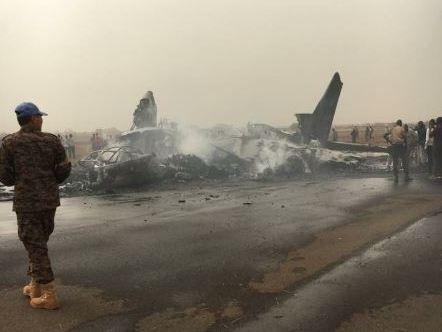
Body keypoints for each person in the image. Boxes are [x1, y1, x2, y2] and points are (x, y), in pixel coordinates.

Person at [0, 102, 71, 310]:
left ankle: (49, 294)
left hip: (27, 203)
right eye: (39, 116)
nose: (42, 119)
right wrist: (49, 181)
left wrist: (22, 179)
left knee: (35, 245)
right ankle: (36, 287)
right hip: (49, 201)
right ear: (33, 119)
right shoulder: (51, 140)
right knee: (37, 244)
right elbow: (64, 169)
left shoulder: (9, 143)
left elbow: (5, 177)